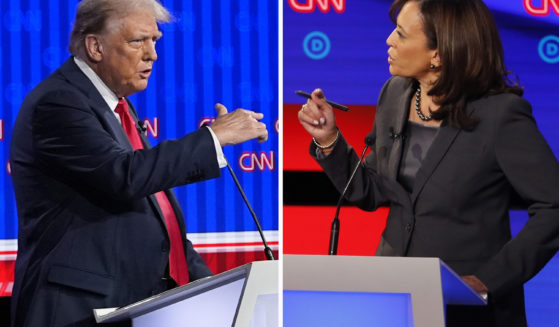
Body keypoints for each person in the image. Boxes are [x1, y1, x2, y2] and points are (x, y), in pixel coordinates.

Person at [298, 0, 559, 326]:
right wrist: (329, 139)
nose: (389, 40)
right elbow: (373, 192)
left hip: (467, 306)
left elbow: (554, 208)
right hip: (394, 298)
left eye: (402, 34)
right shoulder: (394, 93)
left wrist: (487, 280)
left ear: (439, 54)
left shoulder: (500, 115)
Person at [10, 0, 268, 326]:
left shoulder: (117, 107)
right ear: (95, 46)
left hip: (133, 306)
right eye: (138, 41)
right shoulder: (59, 102)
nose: (152, 55)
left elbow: (157, 222)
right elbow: (124, 176)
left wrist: (211, 290)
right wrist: (214, 137)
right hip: (78, 312)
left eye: (154, 41)